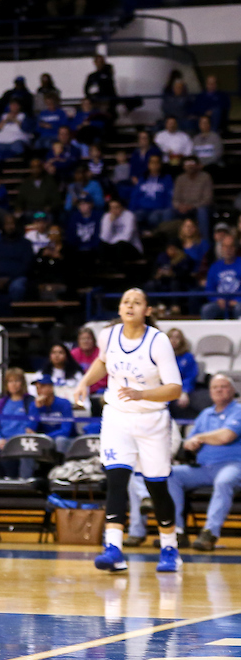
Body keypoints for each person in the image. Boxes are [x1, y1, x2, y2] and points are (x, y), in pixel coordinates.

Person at [73, 289, 183, 574]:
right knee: (116, 479)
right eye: (125, 302)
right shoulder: (108, 335)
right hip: (117, 417)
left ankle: (169, 548)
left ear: (147, 310)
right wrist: (85, 382)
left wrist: (141, 394)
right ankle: (113, 549)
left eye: (137, 302)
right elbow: (103, 362)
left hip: (152, 420)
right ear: (120, 309)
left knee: (156, 486)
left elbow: (174, 388)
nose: (130, 305)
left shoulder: (158, 341)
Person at [166, 374, 241, 552]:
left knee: (223, 482)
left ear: (232, 390)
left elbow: (226, 436)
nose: (219, 390)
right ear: (210, 392)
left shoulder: (238, 411)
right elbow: (189, 442)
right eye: (215, 387)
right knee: (170, 474)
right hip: (204, 468)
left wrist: (200, 438)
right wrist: (192, 443)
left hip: (232, 465)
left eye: (223, 386)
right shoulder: (206, 414)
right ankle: (177, 531)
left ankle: (209, 533)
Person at [0, 368, 33, 476]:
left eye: (16, 381)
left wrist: (13, 441)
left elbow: (31, 426)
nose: (13, 384)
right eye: (10, 381)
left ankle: (23, 482)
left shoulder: (30, 402)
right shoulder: (0, 404)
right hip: (3, 443)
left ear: (22, 383)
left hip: (22, 442)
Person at [202, 233, 241, 319]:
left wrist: (236, 301)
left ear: (235, 248)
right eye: (225, 246)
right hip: (220, 302)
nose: (228, 249)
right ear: (221, 248)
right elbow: (209, 289)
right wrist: (217, 299)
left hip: (238, 302)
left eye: (231, 246)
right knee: (207, 309)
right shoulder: (215, 267)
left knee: (239, 308)